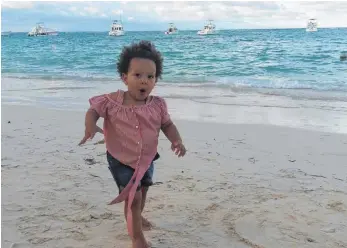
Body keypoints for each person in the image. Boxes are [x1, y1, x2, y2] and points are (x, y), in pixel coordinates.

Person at [78, 40, 186, 248]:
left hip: (146, 159)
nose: (144, 81)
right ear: (124, 77)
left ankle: (136, 217)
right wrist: (90, 125)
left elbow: (168, 124)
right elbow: (93, 111)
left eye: (150, 76)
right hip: (121, 159)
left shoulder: (158, 105)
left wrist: (177, 140)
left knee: (143, 192)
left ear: (156, 80)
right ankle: (137, 238)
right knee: (133, 199)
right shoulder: (112, 101)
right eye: (138, 75)